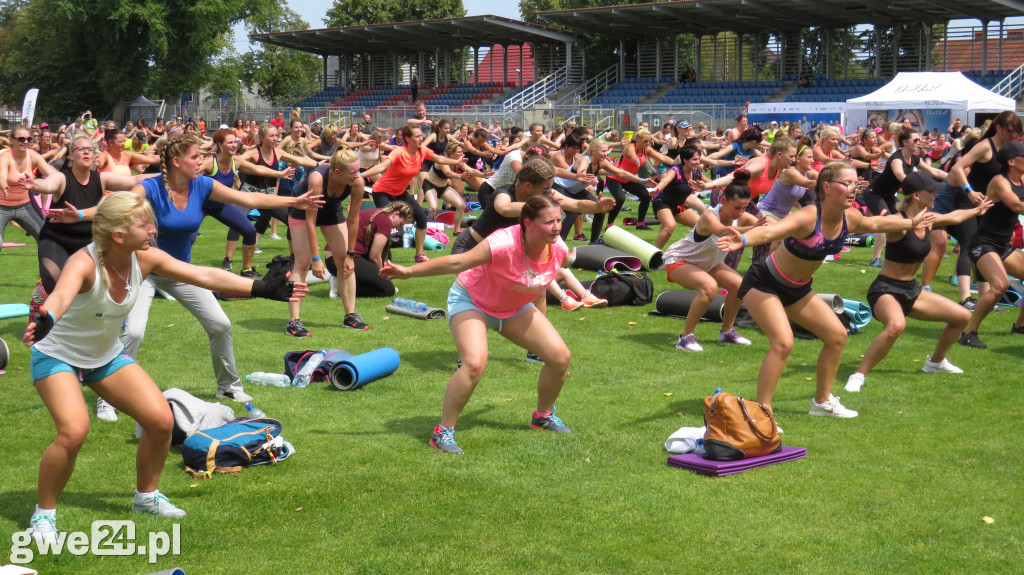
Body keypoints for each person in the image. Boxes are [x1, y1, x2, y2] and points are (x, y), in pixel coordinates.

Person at [22, 191, 305, 544]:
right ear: (118, 235)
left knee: (159, 421)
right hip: (58, 355)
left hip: (105, 356)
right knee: (74, 431)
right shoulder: (85, 262)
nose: (152, 228)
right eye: (142, 223)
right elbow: (61, 295)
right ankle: (44, 515)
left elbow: (202, 274)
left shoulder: (146, 257)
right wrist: (48, 316)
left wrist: (261, 287)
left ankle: (146, 498)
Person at [108, 135, 322, 421]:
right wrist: (79, 215)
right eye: (196, 157)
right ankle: (108, 396)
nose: (202, 161)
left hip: (181, 271)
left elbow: (248, 198)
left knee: (220, 324)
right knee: (133, 332)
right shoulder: (148, 188)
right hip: (142, 272)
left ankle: (228, 388)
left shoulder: (203, 185)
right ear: (176, 162)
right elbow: (112, 212)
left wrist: (295, 198)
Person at [717, 162, 935, 418]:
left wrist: (910, 223)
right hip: (765, 282)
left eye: (856, 183)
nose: (853, 188)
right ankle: (762, 413)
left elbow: (875, 225)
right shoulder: (809, 216)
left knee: (836, 336)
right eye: (846, 183)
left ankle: (821, 403)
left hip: (798, 288)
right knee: (783, 343)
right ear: (827, 187)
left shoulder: (850, 217)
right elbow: (771, 231)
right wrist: (742, 239)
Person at [380, 195, 576, 454]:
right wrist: (408, 271)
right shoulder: (503, 242)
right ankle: (443, 432)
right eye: (549, 222)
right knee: (474, 363)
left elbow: (563, 264)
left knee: (560, 357)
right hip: (472, 301)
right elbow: (457, 262)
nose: (557, 227)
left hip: (513, 308)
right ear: (527, 223)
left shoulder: (555, 246)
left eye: (559, 220)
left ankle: (543, 416)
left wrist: (583, 292)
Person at [845, 173, 990, 392]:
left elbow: (955, 217)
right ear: (916, 196)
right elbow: (870, 223)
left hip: (913, 290)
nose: (936, 194)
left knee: (962, 316)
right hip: (886, 290)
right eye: (931, 191)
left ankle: (935, 363)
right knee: (896, 326)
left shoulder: (929, 219)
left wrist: (977, 210)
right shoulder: (897, 222)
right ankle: (858, 375)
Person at [664, 170, 765, 352]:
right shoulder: (710, 216)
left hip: (707, 263)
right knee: (709, 287)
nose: (741, 212)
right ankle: (685, 338)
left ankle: (727, 333)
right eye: (737, 208)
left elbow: (767, 228)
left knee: (739, 285)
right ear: (724, 201)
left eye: (745, 207)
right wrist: (753, 227)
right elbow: (723, 231)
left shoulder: (740, 217)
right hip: (679, 260)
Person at [286, 148, 370, 336]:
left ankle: (350, 316)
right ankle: (293, 322)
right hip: (302, 211)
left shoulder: (357, 182)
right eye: (353, 172)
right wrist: (316, 258)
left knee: (345, 262)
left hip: (331, 211)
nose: (357, 176)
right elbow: (310, 220)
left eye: (358, 170)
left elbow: (354, 219)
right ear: (336, 172)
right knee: (302, 263)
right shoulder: (317, 179)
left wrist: (350, 254)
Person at [360, 124, 466, 263]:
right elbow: (382, 166)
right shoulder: (399, 152)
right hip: (382, 191)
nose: (421, 138)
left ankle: (419, 255)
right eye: (417, 136)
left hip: (400, 192)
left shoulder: (422, 151)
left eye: (422, 135)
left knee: (421, 218)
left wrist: (456, 161)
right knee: (385, 223)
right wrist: (361, 175)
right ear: (408, 139)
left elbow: (439, 159)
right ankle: (379, 259)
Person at [959, 141, 1024, 349]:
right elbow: (1015, 204)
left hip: (1002, 245)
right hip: (983, 242)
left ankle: (1020, 326)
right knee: (1000, 286)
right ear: (1012, 162)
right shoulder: (999, 181)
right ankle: (969, 333)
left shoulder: (1022, 178)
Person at [862, 128, 948, 267]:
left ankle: (902, 252)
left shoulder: (914, 158)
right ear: (905, 142)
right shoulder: (897, 159)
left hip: (889, 196)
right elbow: (901, 176)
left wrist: (953, 178)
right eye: (915, 140)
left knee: (903, 221)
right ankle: (876, 259)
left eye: (919, 140)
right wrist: (919, 187)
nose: (918, 142)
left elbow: (933, 170)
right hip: (874, 194)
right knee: (888, 222)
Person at [334, 203, 413, 298]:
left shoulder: (378, 213)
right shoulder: (385, 221)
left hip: (335, 257)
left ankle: (343, 282)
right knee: (388, 290)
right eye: (400, 223)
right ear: (395, 214)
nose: (398, 227)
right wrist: (383, 276)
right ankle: (340, 287)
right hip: (345, 259)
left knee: (377, 284)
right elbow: (375, 257)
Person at [0, 125, 57, 254]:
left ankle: (46, 272)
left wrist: (65, 180)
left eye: (28, 139)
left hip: (24, 206)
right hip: (1, 207)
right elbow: (1, 175)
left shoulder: (33, 155)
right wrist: (4, 185)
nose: (25, 142)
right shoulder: (4, 156)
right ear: (11, 140)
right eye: (21, 139)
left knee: (45, 237)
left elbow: (52, 173)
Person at [604, 128, 673, 231]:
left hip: (628, 178)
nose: (648, 143)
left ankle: (640, 224)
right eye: (645, 141)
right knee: (620, 198)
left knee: (645, 196)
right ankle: (609, 225)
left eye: (649, 141)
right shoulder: (631, 147)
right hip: (615, 177)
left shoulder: (647, 149)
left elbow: (661, 157)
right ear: (638, 139)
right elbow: (631, 154)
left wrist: (677, 164)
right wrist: (636, 160)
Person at [649, 145, 708, 249]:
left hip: (679, 206)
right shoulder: (676, 170)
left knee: (703, 226)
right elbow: (665, 181)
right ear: (685, 160)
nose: (698, 162)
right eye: (694, 159)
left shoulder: (697, 173)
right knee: (670, 226)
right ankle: (653, 255)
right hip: (663, 202)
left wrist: (729, 184)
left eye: (699, 159)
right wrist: (656, 189)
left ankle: (689, 254)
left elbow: (712, 183)